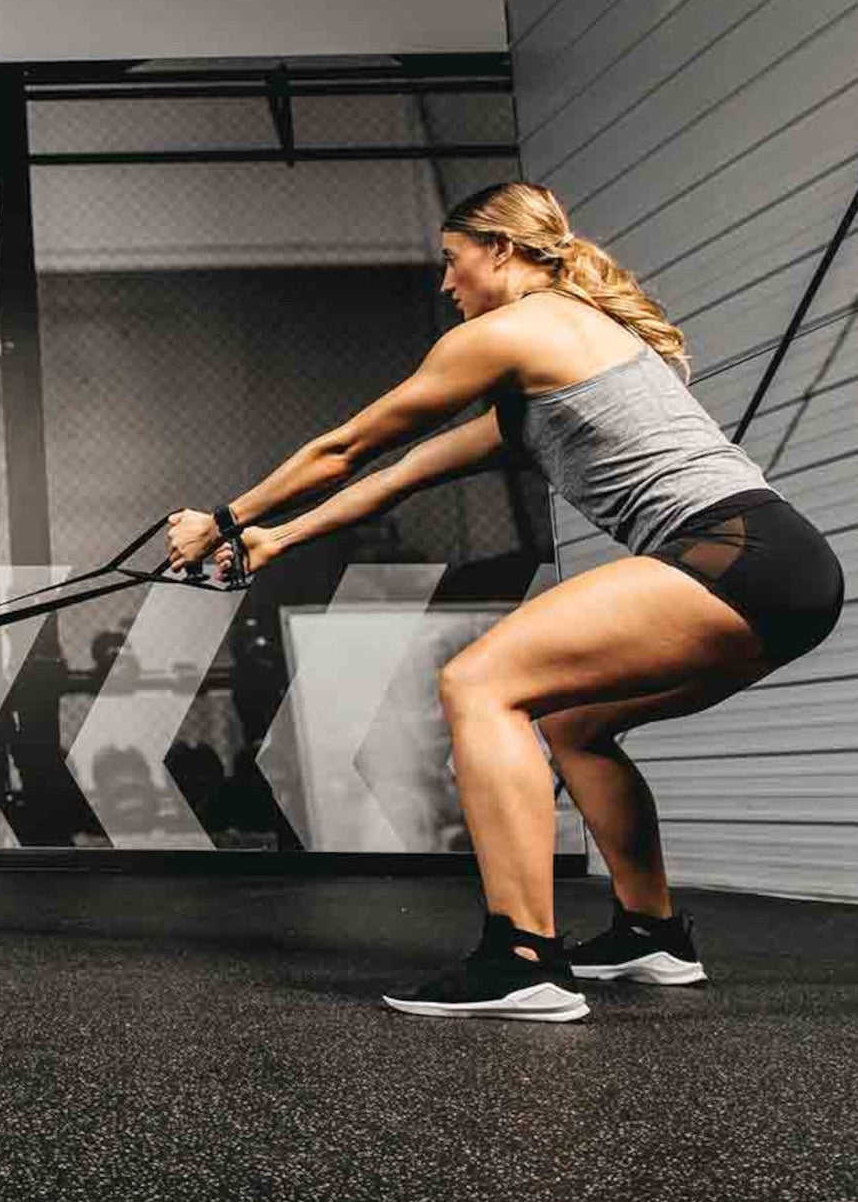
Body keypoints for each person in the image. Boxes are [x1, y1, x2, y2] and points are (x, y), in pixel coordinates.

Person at [166, 182, 843, 1021]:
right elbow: (398, 475)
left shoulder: (514, 331)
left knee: (479, 683)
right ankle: (653, 934)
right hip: (786, 572)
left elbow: (345, 446)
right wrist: (274, 539)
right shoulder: (554, 361)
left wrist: (224, 518)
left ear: (501, 249)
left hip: (734, 552)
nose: (446, 283)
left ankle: (522, 959)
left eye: (453, 260)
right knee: (572, 723)